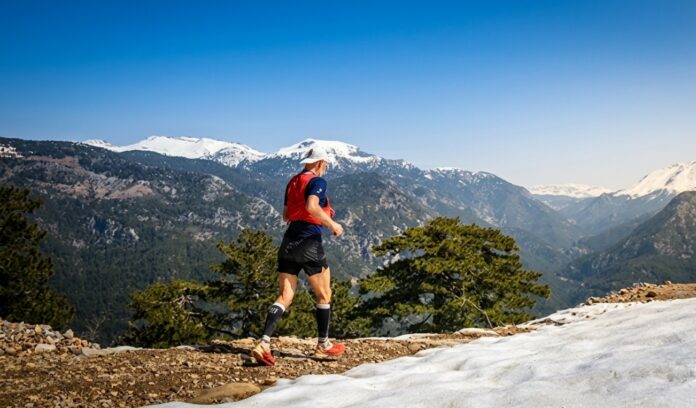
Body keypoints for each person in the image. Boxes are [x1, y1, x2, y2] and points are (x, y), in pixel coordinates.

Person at [251, 147, 346, 366]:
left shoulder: (293, 181)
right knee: (324, 294)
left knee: (285, 295)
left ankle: (263, 343)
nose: (326, 168)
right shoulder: (317, 181)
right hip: (308, 242)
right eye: (326, 165)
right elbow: (312, 206)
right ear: (320, 163)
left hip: (288, 242)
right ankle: (323, 344)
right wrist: (332, 223)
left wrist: (316, 212)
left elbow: (286, 216)